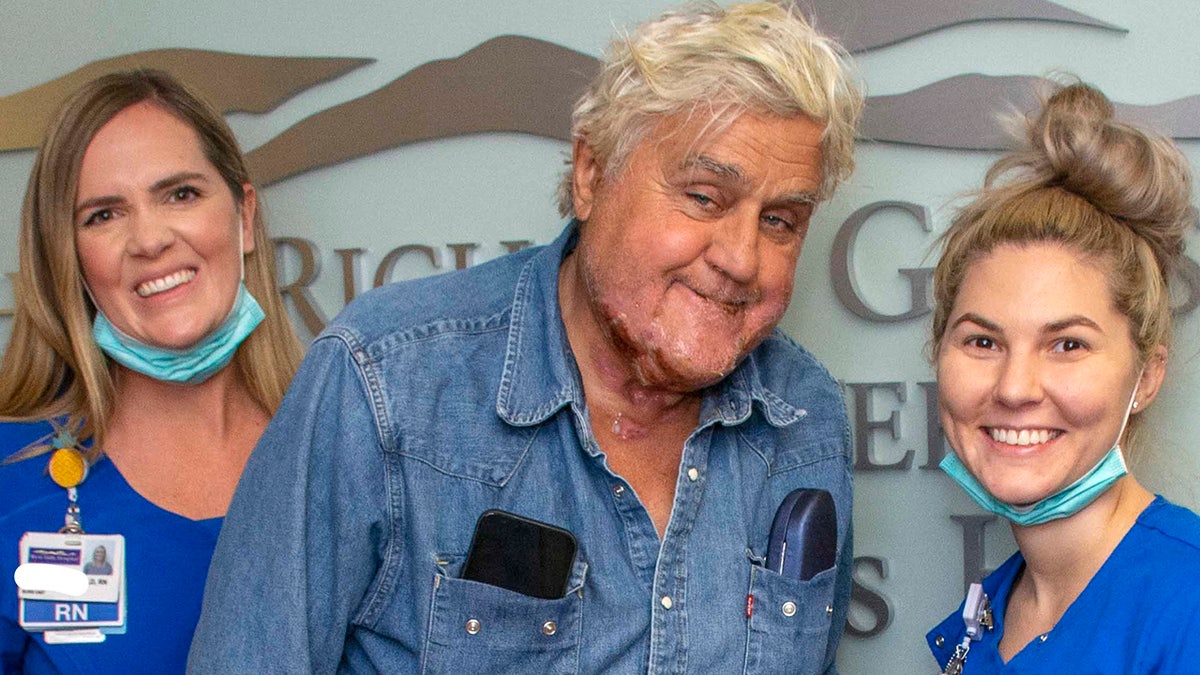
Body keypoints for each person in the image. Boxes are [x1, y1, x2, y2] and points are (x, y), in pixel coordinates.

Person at [189, 2, 863, 673]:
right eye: (705, 197)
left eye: (780, 220)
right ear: (591, 174)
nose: (743, 258)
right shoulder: (384, 384)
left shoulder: (804, 415)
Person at [0, 70, 303, 674]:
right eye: (104, 215)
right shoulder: (11, 480)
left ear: (243, 218)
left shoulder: (353, 458)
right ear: (69, 256)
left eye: (180, 194)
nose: (149, 239)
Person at [925, 81, 1200, 673]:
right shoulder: (992, 608)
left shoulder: (1188, 604)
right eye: (982, 341)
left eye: (1067, 344)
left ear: (1147, 376)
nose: (1015, 387)